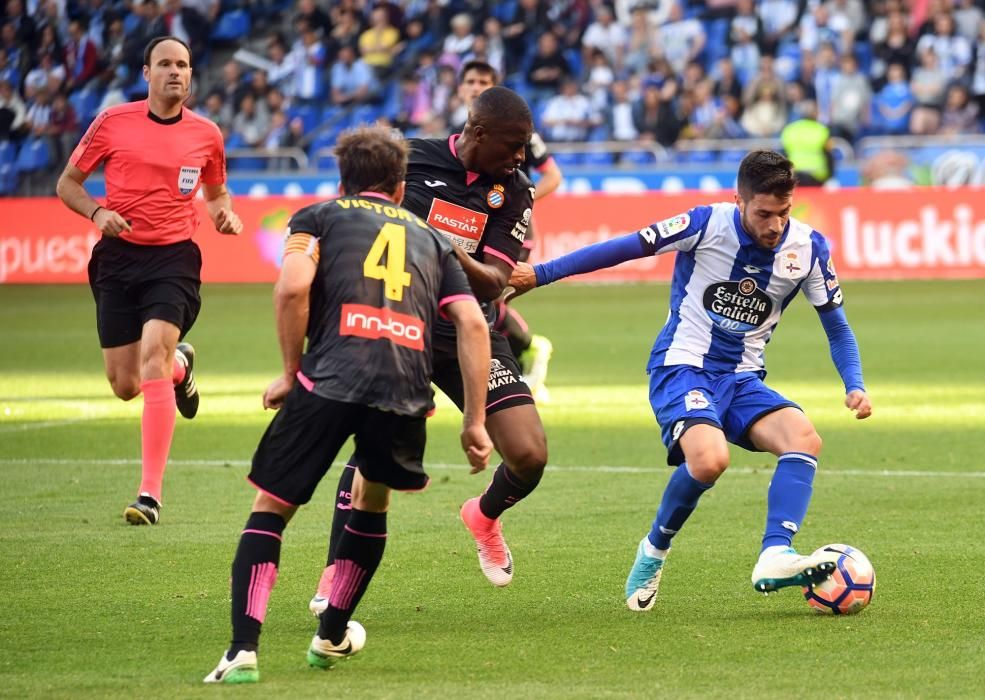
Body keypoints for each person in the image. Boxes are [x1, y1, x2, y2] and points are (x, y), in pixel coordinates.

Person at [508, 150, 873, 612]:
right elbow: (623, 247)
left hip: (741, 378)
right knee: (709, 460)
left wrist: (853, 382)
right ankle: (654, 550)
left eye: (784, 212)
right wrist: (539, 273)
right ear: (738, 200)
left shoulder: (808, 248)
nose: (775, 224)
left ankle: (774, 553)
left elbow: (836, 325)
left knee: (804, 438)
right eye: (764, 213)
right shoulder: (705, 224)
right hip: (682, 366)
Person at [204, 125, 493, 684]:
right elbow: (473, 322)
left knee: (273, 507)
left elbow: (291, 289)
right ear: (401, 182)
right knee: (372, 498)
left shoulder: (317, 217)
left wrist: (291, 373)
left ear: (343, 179)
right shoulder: (431, 239)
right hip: (405, 389)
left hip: (332, 374)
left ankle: (242, 651)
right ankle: (331, 634)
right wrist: (475, 422)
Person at [309, 86, 547, 616]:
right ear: (477, 133)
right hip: (398, 324)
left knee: (529, 455)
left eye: (524, 148)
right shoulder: (410, 159)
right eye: (512, 145)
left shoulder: (515, 190)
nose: (519, 157)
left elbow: (493, 282)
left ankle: (483, 515)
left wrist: (438, 241)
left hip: (469, 328)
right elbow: (354, 223)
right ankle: (335, 572)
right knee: (372, 450)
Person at [55, 36, 242, 525]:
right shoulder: (113, 122)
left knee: (152, 354)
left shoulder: (207, 134)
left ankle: (149, 496)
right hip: (118, 259)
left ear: (190, 74)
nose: (175, 72)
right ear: (146, 73)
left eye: (183, 64)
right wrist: (97, 212)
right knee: (124, 383)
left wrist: (224, 215)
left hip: (174, 259)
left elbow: (217, 194)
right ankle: (182, 366)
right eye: (165, 64)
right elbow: (67, 183)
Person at [454, 60, 561, 401]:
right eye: (470, 81)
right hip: (475, 226)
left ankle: (517, 358)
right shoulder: (463, 133)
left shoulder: (522, 131)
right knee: (472, 294)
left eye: (483, 81)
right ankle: (520, 355)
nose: (475, 86)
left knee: (488, 291)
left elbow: (553, 176)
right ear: (460, 88)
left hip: (513, 228)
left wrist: (521, 204)